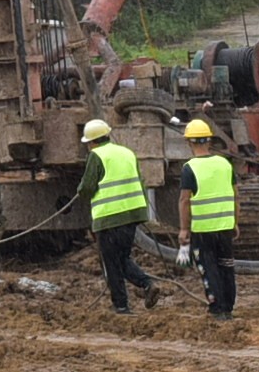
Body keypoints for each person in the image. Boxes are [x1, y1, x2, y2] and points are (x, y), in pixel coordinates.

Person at [80, 115, 160, 313]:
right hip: (131, 216)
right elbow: (139, 181)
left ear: (91, 142)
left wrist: (80, 190)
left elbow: (87, 187)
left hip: (110, 218)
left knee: (111, 263)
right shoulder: (127, 152)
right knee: (122, 258)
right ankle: (147, 284)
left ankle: (122, 306)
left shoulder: (96, 156)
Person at [171, 117, 237, 319]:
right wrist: (235, 222)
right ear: (209, 140)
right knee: (226, 266)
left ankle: (217, 309)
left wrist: (184, 229)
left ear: (189, 143)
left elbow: (184, 200)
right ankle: (228, 307)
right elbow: (236, 194)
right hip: (225, 226)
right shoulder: (225, 164)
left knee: (209, 268)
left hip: (203, 229)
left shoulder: (190, 168)